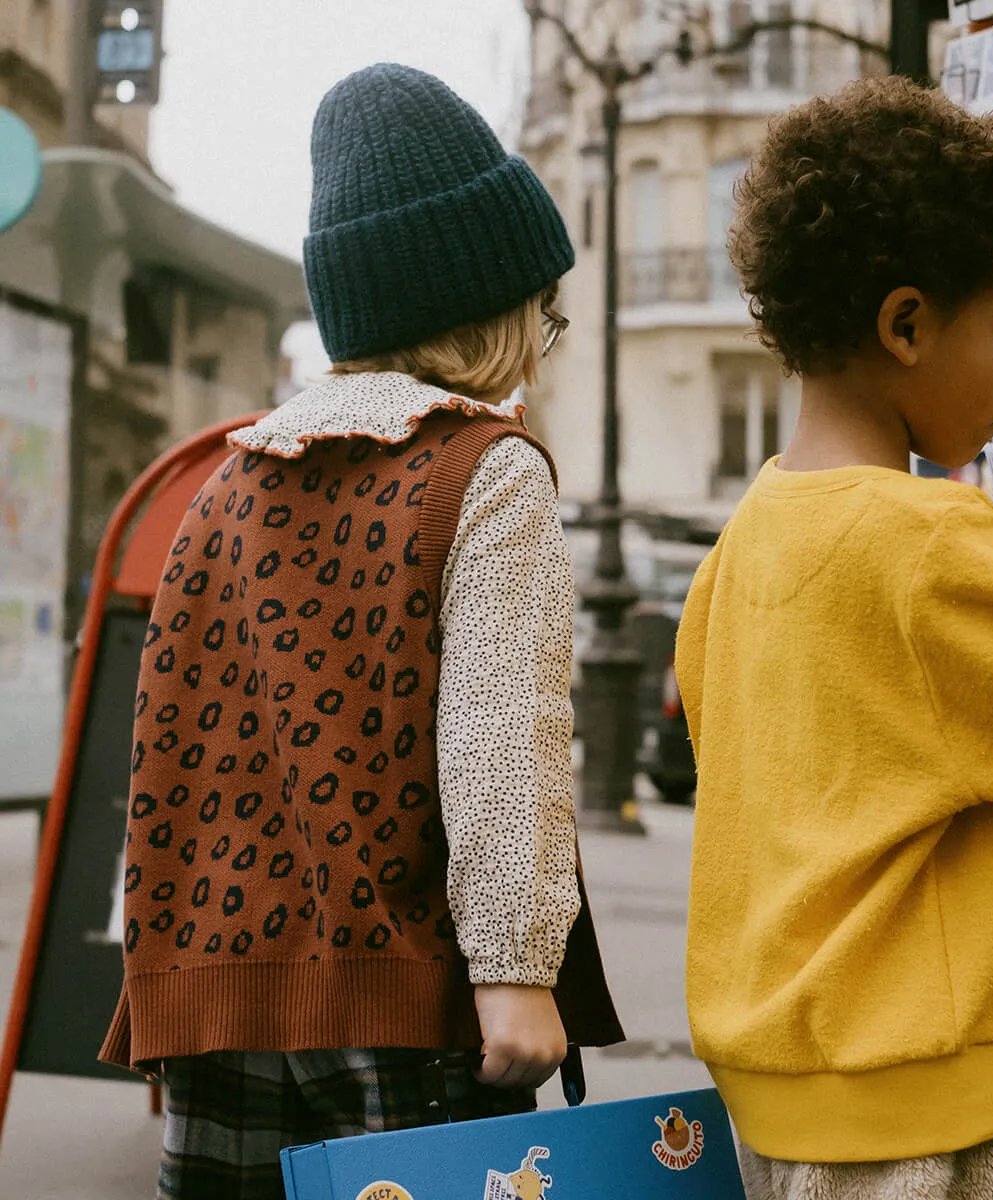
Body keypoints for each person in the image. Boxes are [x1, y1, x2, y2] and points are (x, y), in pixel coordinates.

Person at [99, 63, 622, 1200]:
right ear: (492, 303)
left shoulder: (226, 489)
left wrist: (159, 978)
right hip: (410, 1003)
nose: (551, 336)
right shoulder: (482, 474)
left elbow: (169, 755)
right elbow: (501, 738)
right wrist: (518, 970)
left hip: (217, 1005)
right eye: (547, 306)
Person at [677, 75, 993, 1200]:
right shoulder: (926, 545)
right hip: (920, 1097)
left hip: (778, 1091)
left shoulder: (741, 544)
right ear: (907, 324)